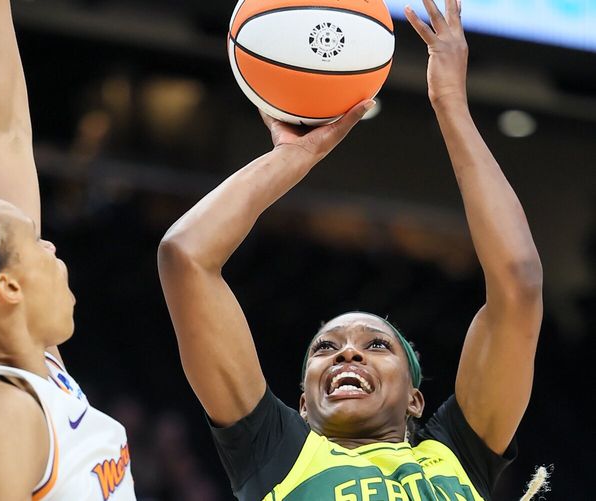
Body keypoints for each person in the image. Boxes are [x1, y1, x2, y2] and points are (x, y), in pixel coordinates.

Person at [157, 0, 544, 499]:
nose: (348, 354)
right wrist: (293, 157)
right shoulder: (276, 452)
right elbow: (185, 256)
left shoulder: (456, 454)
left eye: (376, 345)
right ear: (300, 404)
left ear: (415, 400)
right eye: (326, 349)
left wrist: (451, 104)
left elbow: (519, 283)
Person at [0, 1, 135, 499]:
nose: (49, 243)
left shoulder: (33, 373)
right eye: (35, 243)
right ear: (9, 286)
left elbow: (4, 136)